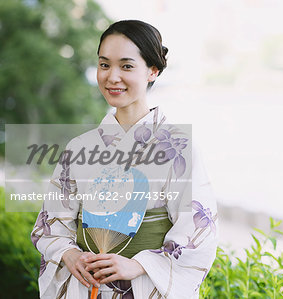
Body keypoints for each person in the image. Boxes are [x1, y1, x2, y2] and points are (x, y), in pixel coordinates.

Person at [31, 20, 218, 299]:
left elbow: (199, 234)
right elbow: (52, 224)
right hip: (84, 286)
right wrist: (69, 254)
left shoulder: (180, 149)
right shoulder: (79, 147)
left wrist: (138, 264)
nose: (112, 77)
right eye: (104, 65)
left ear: (152, 71)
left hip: (145, 287)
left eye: (126, 66)